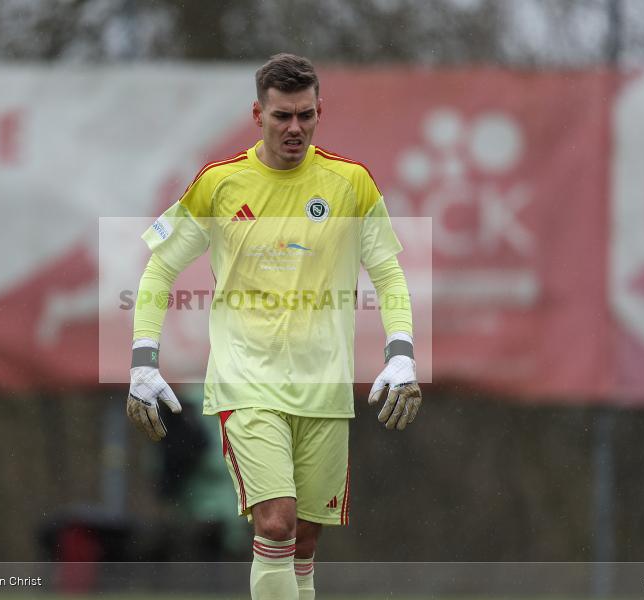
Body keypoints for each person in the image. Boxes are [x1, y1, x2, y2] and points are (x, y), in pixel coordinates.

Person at [127, 53, 422, 599]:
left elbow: (388, 272)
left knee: (305, 539)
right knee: (276, 523)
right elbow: (161, 266)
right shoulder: (219, 184)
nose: (295, 128)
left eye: (306, 116)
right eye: (282, 116)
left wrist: (400, 352)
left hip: (324, 386)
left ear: (318, 112)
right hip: (247, 381)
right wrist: (143, 360)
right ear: (257, 113)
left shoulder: (351, 184)